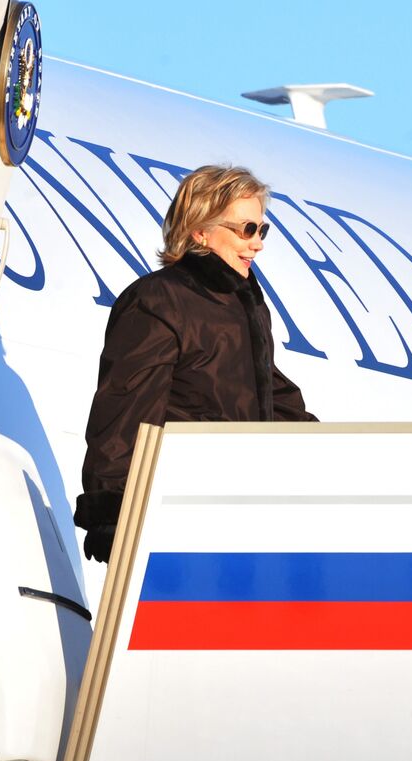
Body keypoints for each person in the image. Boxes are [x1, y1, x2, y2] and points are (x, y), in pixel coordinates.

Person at [73, 165, 316, 562]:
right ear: (201, 231)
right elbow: (124, 412)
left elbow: (269, 394)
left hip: (234, 515)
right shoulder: (158, 301)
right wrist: (112, 514)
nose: (257, 244)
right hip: (176, 512)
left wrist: (332, 454)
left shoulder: (244, 305)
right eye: (246, 230)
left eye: (262, 230)